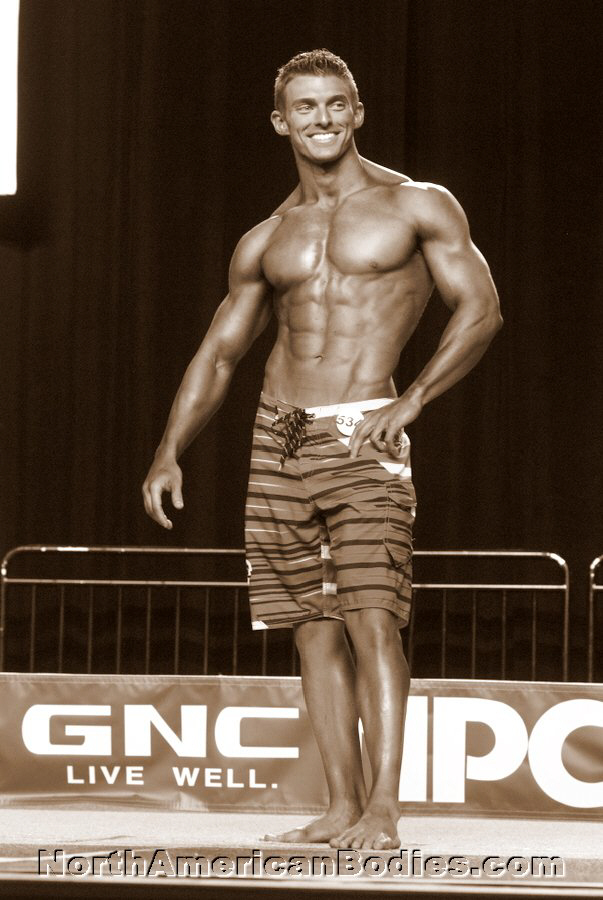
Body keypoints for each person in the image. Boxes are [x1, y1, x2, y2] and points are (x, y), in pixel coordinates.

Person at [142, 49, 502, 851]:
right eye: (305, 107)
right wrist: (170, 448)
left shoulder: (415, 204)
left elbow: (480, 309)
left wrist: (411, 399)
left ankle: (383, 812)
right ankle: (340, 807)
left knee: (373, 620)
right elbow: (220, 354)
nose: (322, 118)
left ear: (357, 111)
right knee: (310, 627)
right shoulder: (267, 237)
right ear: (281, 121)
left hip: (363, 430)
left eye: (336, 103)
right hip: (279, 436)